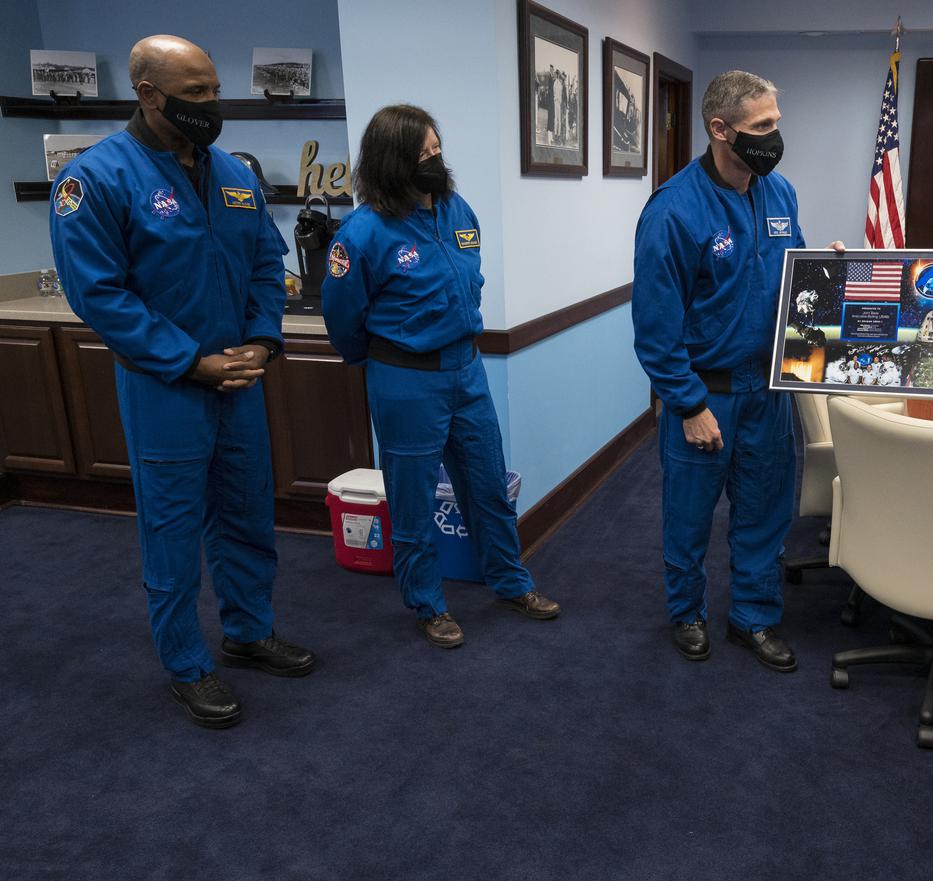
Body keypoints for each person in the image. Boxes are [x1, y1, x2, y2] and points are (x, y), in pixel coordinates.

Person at [48, 35, 315, 730]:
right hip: (166, 385)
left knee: (248, 511)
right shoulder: (95, 178)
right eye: (193, 93)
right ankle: (187, 664)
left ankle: (249, 632)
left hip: (241, 380)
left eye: (213, 89)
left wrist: (260, 340)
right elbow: (99, 294)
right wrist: (191, 360)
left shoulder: (231, 171)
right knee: (171, 531)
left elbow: (265, 261)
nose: (210, 104)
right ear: (147, 92)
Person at [322, 105, 560, 649]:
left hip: (466, 371)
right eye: (422, 154)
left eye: (437, 150)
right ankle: (428, 604)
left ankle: (509, 582)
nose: (435, 161)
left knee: (488, 486)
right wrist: (383, 362)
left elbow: (470, 282)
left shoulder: (457, 210)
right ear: (392, 163)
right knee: (413, 500)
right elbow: (343, 320)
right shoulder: (362, 233)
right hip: (406, 380)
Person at [632, 70, 844, 672]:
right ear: (719, 129)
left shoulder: (781, 194)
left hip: (770, 388)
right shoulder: (673, 212)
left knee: (764, 512)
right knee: (689, 517)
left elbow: (790, 290)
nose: (775, 137)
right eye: (762, 127)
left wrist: (829, 278)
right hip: (706, 394)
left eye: (777, 123)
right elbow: (655, 326)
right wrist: (688, 405)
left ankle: (753, 617)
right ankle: (687, 613)